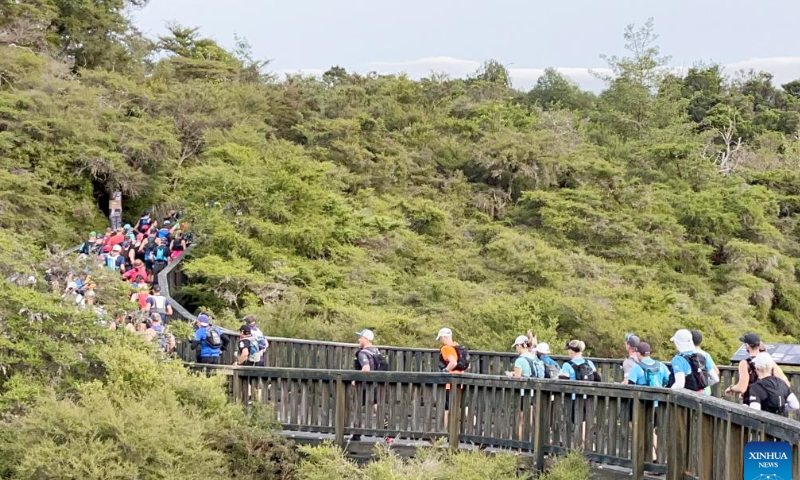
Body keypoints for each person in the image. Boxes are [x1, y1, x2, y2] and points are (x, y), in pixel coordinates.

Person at [725, 333, 790, 404]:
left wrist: (731, 388)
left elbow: (742, 387)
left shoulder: (745, 363)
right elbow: (786, 384)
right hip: (768, 403)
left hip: (752, 402)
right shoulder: (770, 362)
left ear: (747, 346)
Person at [691, 330, 720, 395]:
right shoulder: (705, 355)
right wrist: (706, 382)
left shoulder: (684, 355)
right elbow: (716, 372)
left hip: (689, 390)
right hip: (704, 390)